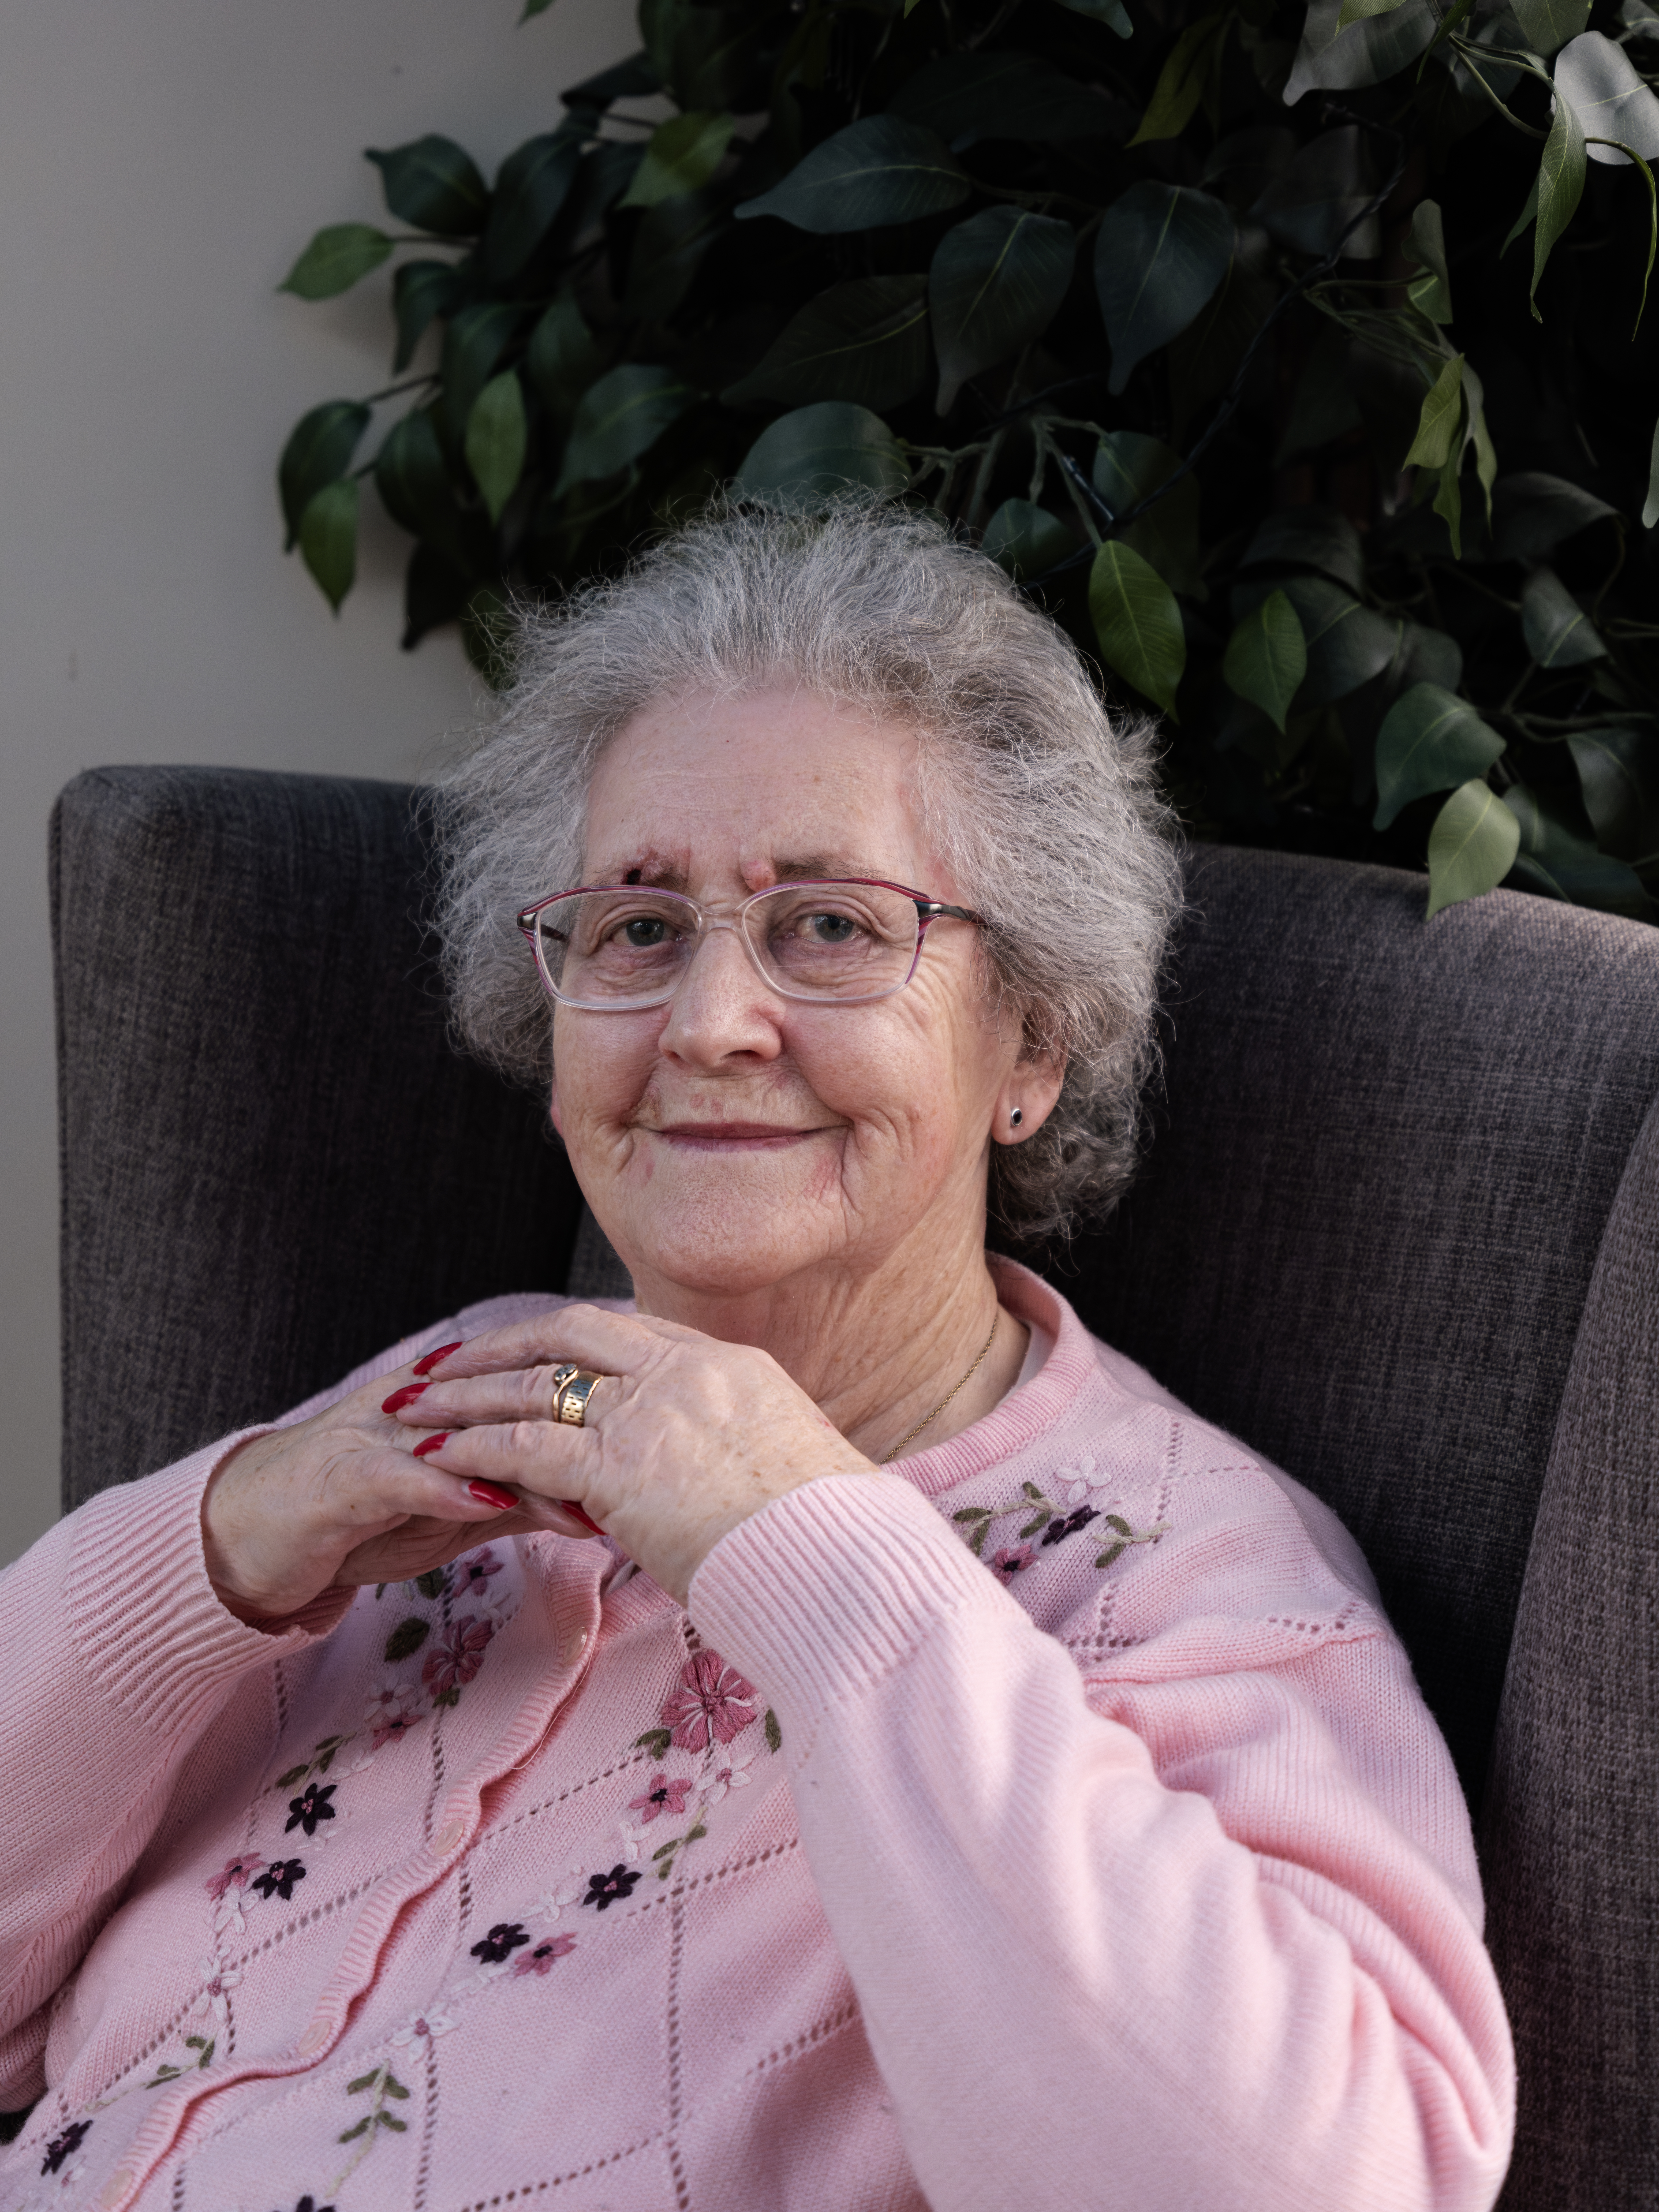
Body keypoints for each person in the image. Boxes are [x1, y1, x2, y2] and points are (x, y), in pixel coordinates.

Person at [0, 501, 1513, 2212]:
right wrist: (208, 1556)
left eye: (834, 926)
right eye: (638, 930)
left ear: (1029, 1040)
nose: (712, 1022)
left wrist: (793, 1543)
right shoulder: (489, 1393)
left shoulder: (1199, 1584)